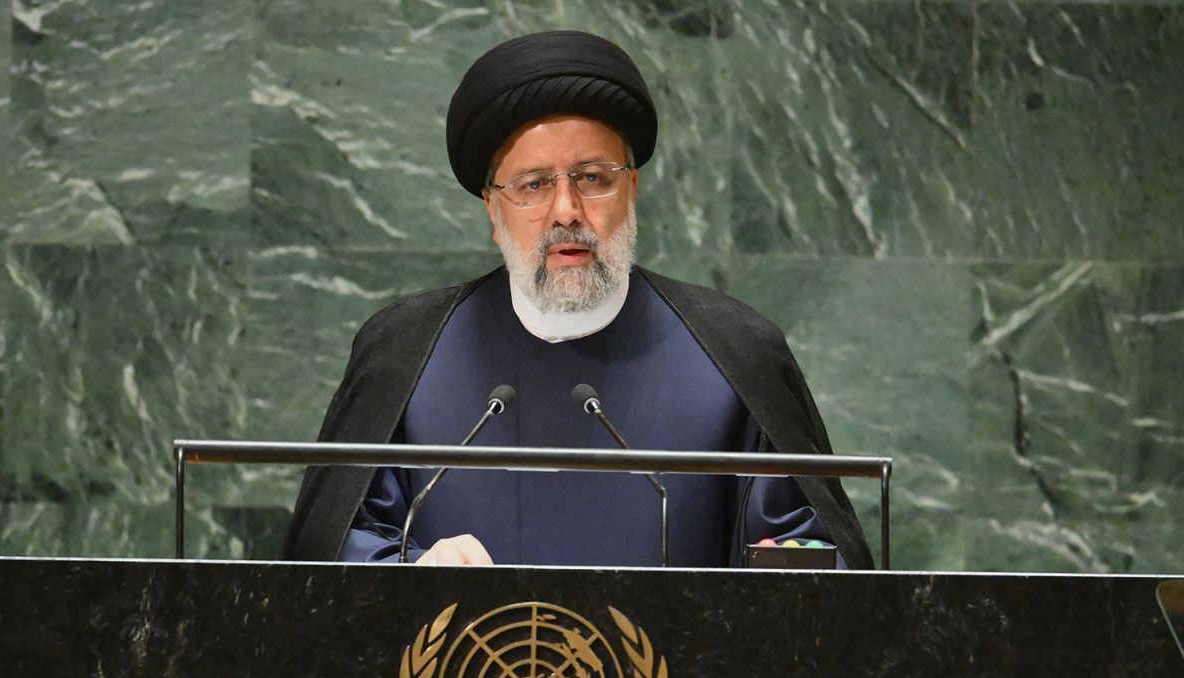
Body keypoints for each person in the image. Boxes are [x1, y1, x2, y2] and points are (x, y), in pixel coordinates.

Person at [281, 30, 872, 570]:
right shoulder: (405, 350)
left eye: (592, 177)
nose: (566, 211)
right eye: (534, 184)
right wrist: (411, 573)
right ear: (493, 207)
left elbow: (809, 559)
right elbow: (334, 550)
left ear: (631, 189)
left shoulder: (736, 351)